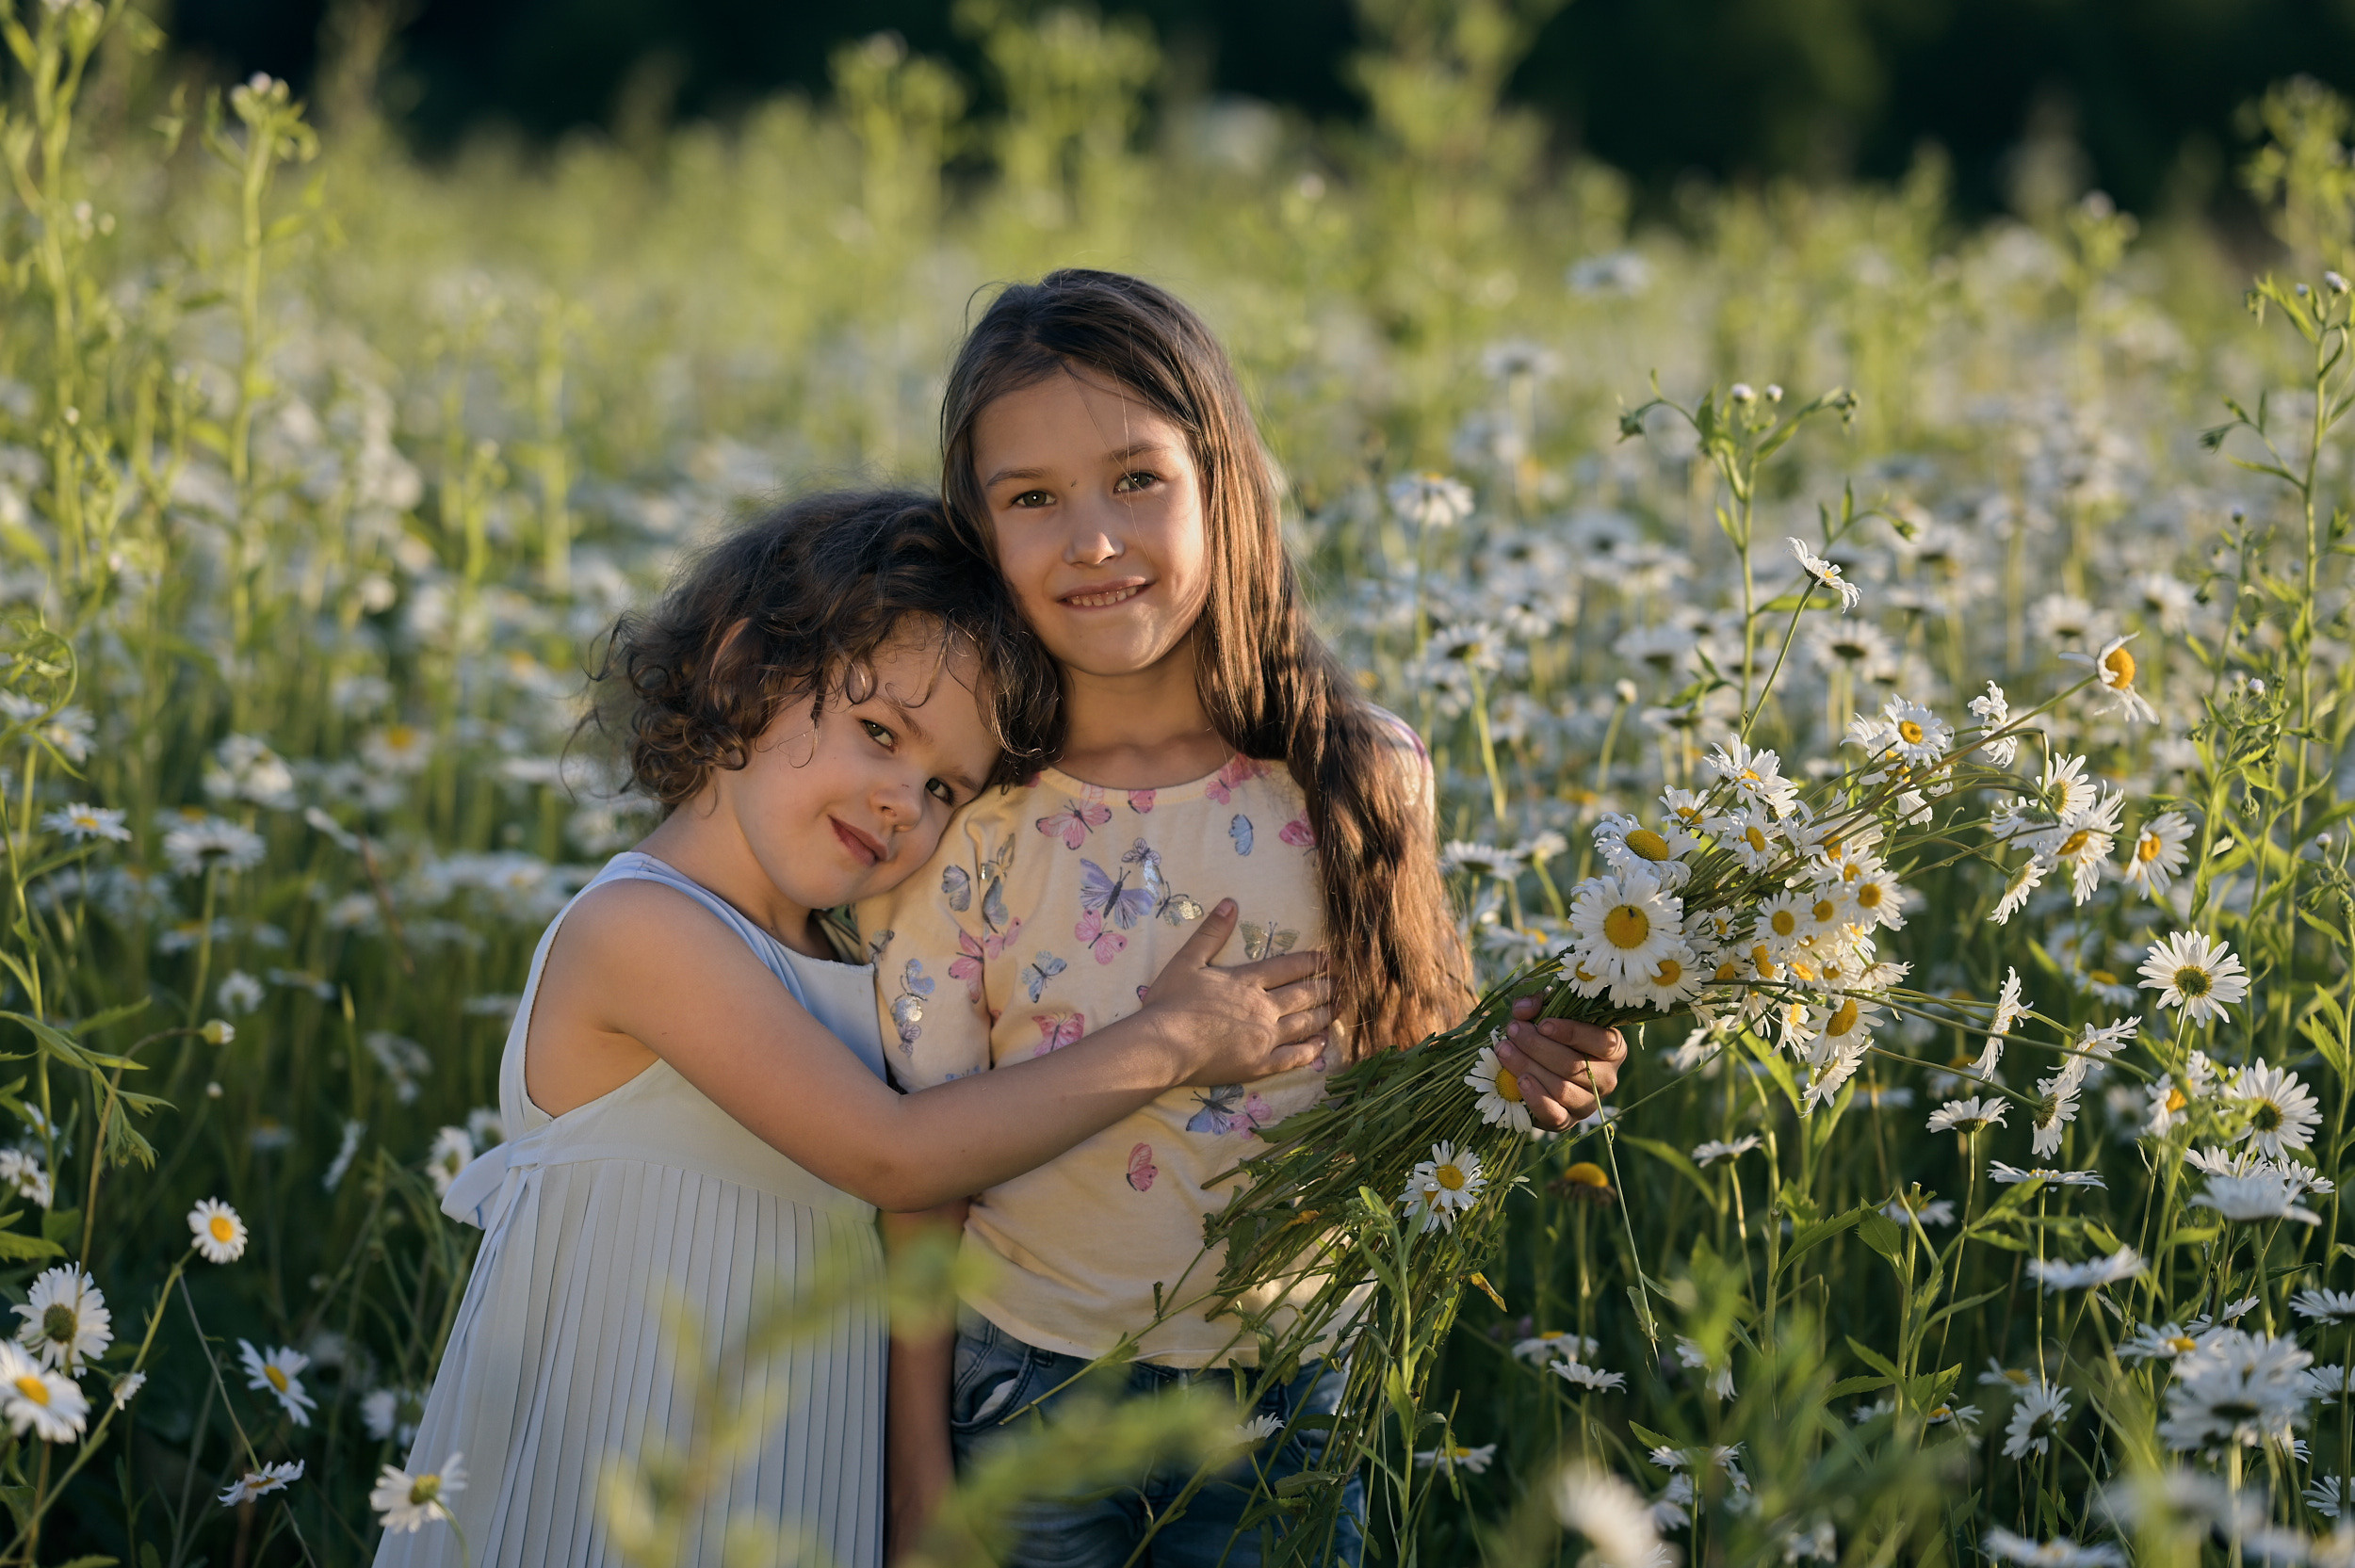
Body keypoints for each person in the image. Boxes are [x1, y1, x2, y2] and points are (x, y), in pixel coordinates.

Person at [376, 490, 1336, 1568]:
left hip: (788, 1474)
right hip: (622, 1467)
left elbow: (931, 1200)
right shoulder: (641, 929)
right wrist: (1173, 1043)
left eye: (944, 788)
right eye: (878, 734)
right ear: (743, 669)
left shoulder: (848, 959)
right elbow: (895, 1156)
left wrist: (913, 1478)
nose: (902, 805)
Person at [866, 272, 1629, 1567]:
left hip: (1286, 1393)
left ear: (1223, 485)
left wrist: (1524, 1067)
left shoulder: (1357, 776)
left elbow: (1418, 1073)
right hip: (1024, 1388)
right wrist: (916, 1481)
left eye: (1136, 480)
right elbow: (920, 1182)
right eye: (1032, 498)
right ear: (977, 532)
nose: (1091, 540)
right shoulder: (973, 816)